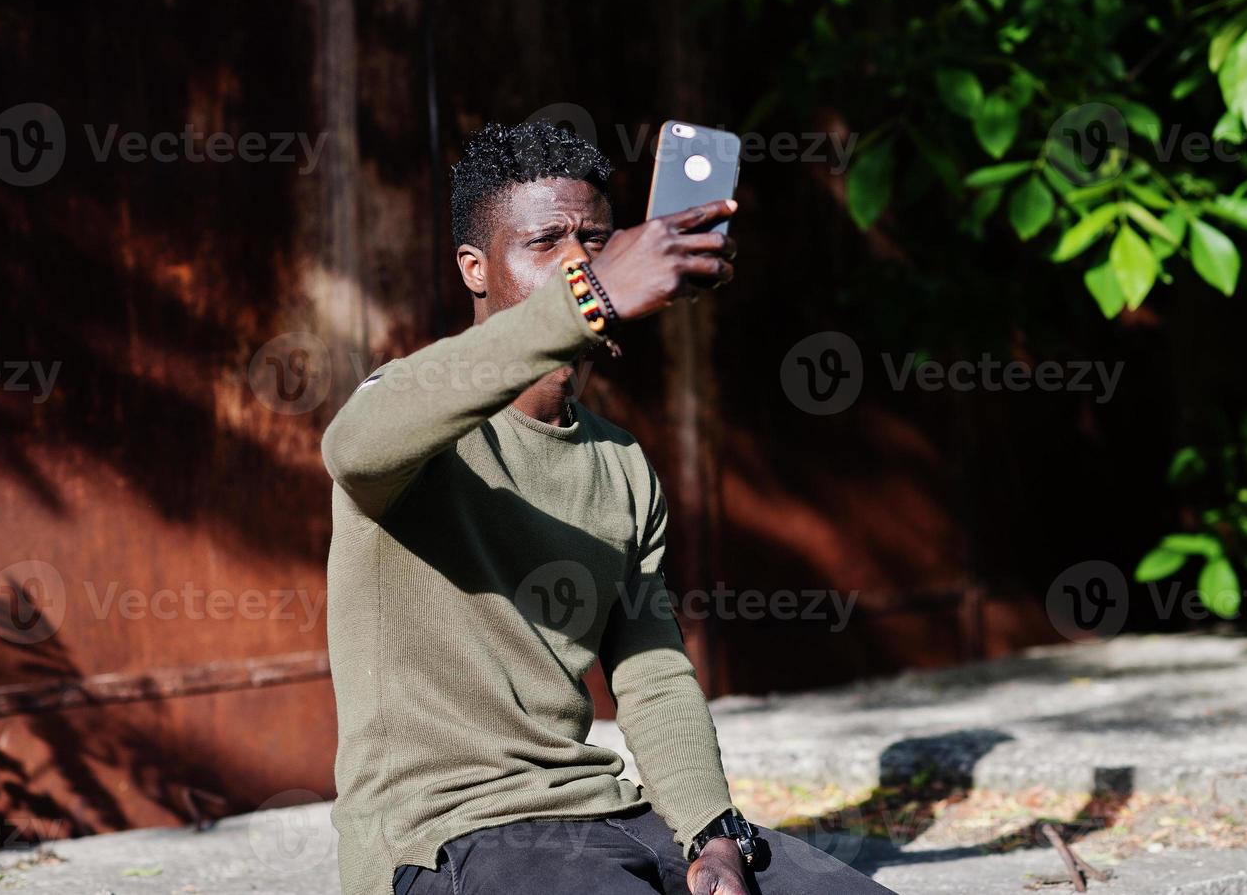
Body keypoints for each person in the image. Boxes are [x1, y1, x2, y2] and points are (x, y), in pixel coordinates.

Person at [321, 120, 895, 895]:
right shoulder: (414, 415)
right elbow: (353, 446)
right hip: (450, 835)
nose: (575, 262)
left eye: (593, 240)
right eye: (544, 242)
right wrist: (587, 300)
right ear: (474, 269)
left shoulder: (620, 462)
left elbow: (652, 671)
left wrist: (711, 835)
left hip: (605, 813)